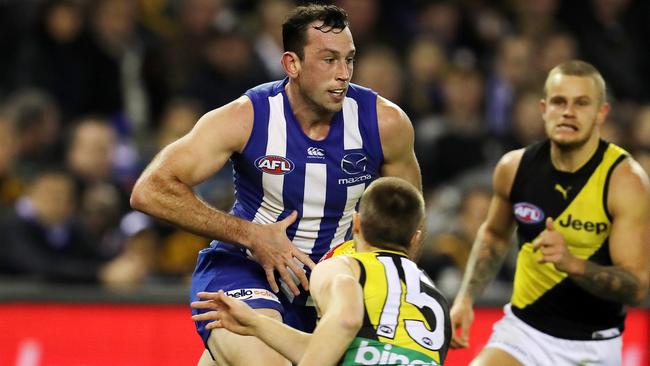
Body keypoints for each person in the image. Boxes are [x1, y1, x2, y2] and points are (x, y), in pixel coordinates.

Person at [129, 4, 421, 366]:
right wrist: (252, 235)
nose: (343, 74)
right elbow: (150, 190)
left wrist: (396, 298)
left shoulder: (385, 123)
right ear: (291, 64)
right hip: (245, 270)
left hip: (334, 289)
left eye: (349, 59)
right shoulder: (247, 116)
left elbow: (407, 224)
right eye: (328, 60)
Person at [449, 60, 650, 365]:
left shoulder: (625, 182)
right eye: (559, 101)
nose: (568, 111)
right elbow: (493, 233)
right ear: (544, 108)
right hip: (524, 333)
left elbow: (636, 287)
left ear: (601, 113)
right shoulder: (514, 168)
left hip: (594, 345)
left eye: (581, 103)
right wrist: (465, 298)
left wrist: (572, 263)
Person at [191, 177, 450, 366]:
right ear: (416, 239)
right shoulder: (437, 299)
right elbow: (327, 348)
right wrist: (255, 323)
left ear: (356, 224)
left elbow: (346, 320)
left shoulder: (344, 266)